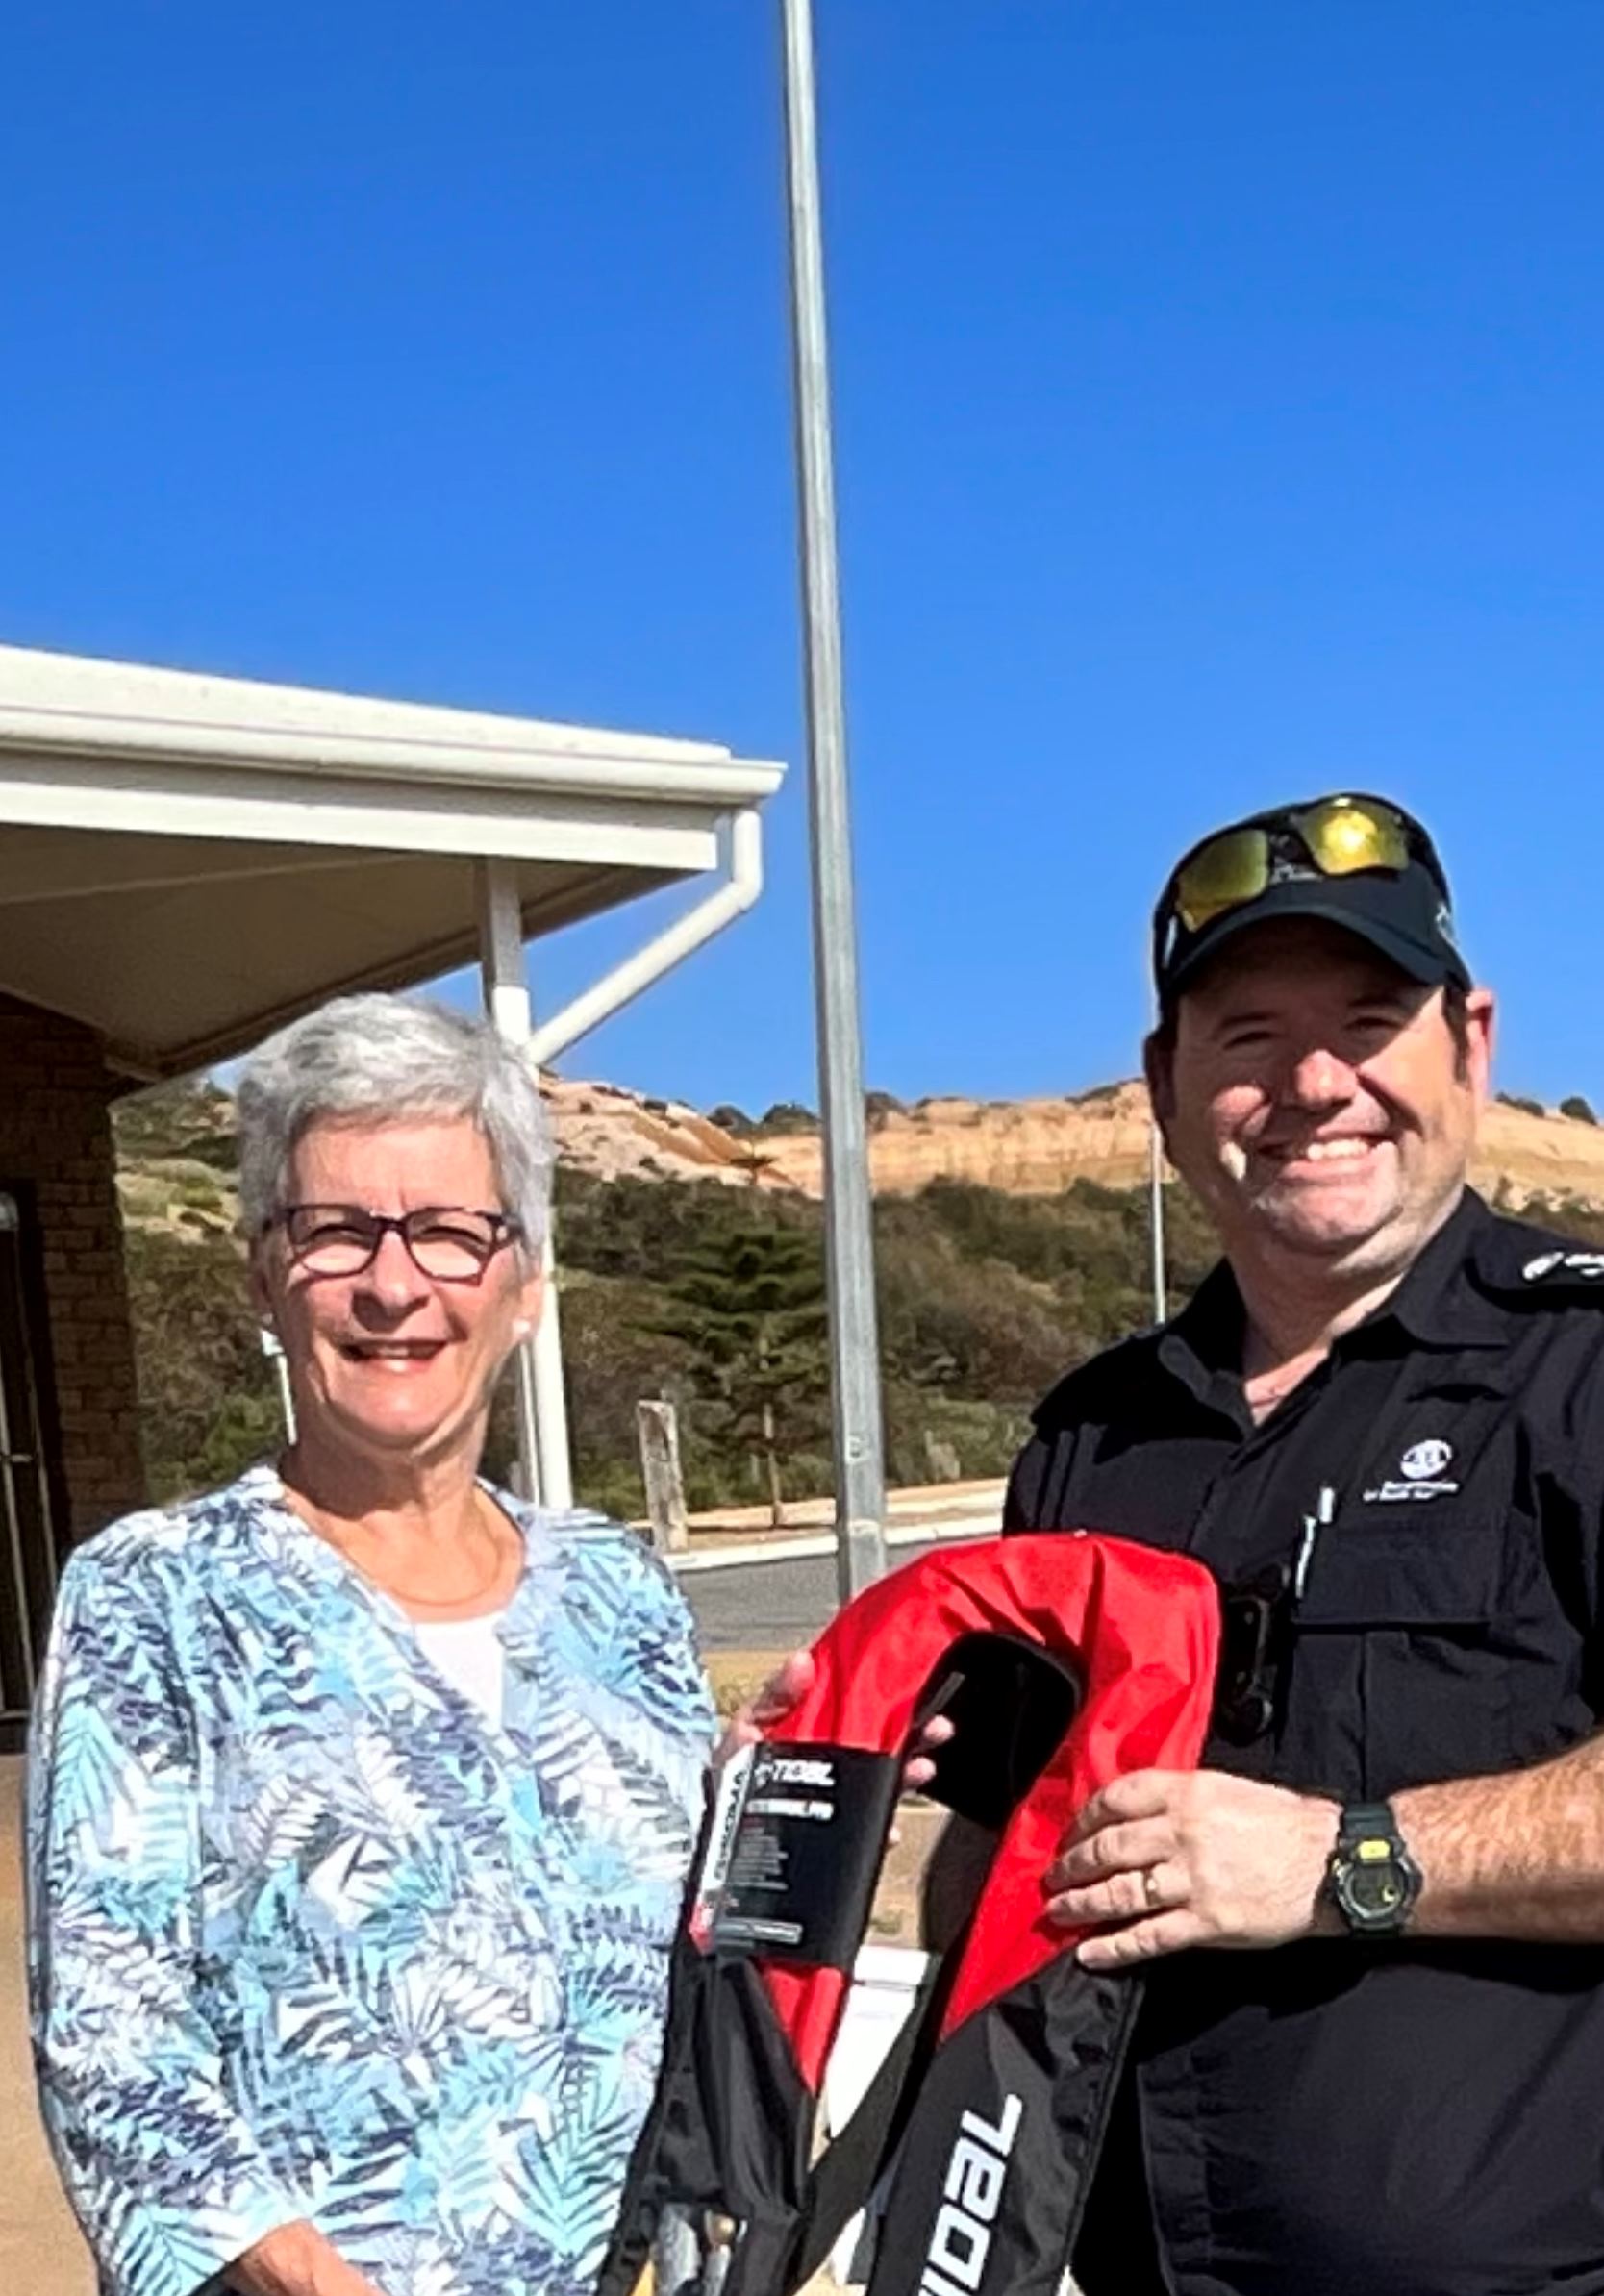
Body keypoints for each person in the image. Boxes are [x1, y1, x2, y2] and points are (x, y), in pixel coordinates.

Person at [998, 792, 1604, 2294]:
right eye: (1250, 1033)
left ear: (1471, 1043)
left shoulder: (1582, 1370)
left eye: (1369, 1020)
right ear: (1164, 1083)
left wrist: (1347, 1861)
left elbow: (1310, 1863)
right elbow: (999, 1861)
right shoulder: (1092, 1439)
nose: (1315, 1083)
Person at [26, 992, 714, 2296]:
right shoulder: (155, 1599)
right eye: (337, 1231)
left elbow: (703, 1964)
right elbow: (111, 2038)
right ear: (264, 1279)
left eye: (451, 1235)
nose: (394, 1283)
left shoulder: (621, 1595)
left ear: (523, 1287)